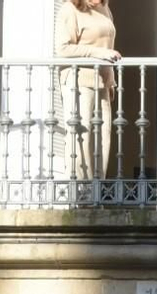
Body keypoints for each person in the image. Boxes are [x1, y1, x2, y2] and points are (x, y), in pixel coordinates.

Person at [55, 0, 118, 181]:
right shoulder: (70, 9)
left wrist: (110, 80)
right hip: (79, 79)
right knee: (81, 136)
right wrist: (97, 53)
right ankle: (82, 193)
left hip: (103, 82)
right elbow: (63, 48)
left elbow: (108, 48)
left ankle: (96, 192)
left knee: (102, 138)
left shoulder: (104, 8)